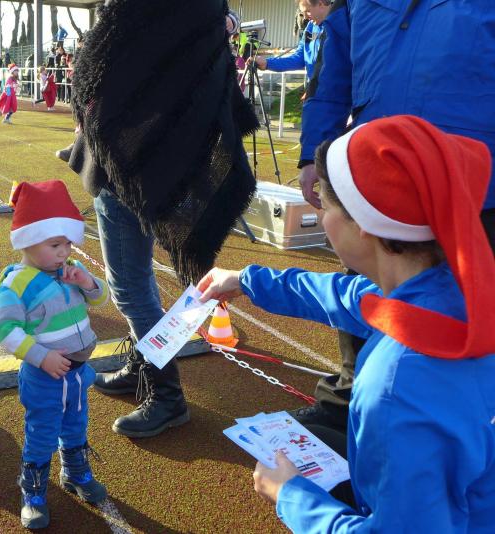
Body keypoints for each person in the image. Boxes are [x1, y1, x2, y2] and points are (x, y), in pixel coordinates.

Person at [198, 115, 495, 532]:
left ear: (366, 225)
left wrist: (292, 496)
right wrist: (246, 280)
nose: (320, 216)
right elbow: (345, 294)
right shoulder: (454, 290)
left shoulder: (395, 385)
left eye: (325, 203)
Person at [293, 0, 495, 430]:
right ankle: (346, 403)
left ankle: (464, 422)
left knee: (469, 306)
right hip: (376, 179)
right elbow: (333, 72)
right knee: (369, 287)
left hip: (477, 189)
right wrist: (314, 151)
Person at [69, 0, 257, 438]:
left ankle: (166, 395)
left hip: (127, 162)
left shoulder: (144, 13)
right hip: (150, 157)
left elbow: (101, 72)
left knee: (130, 288)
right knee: (138, 282)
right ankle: (142, 364)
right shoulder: (204, 11)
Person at [0, 181, 109, 529]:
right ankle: (33, 493)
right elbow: (6, 331)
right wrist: (41, 356)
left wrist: (87, 282)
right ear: (27, 241)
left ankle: (74, 471)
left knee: (76, 423)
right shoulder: (16, 285)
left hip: (78, 372)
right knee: (42, 433)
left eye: (68, 243)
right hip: (45, 377)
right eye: (55, 245)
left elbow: (101, 299)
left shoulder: (69, 269)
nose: (64, 251)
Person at [254, 0, 331, 82]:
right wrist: (267, 63)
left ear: (320, 3)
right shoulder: (310, 28)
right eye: (303, 13)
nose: (305, 17)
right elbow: (299, 59)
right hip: (315, 87)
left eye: (308, 11)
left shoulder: (339, 25)